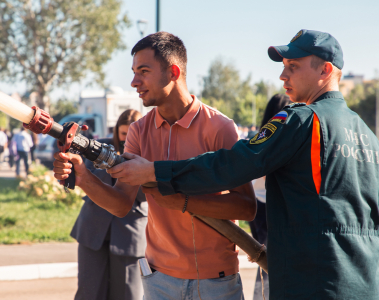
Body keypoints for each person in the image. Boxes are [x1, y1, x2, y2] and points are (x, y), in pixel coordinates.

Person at [110, 30, 379, 299]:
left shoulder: (301, 120)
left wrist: (157, 171)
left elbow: (234, 164)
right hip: (363, 280)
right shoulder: (367, 136)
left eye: (293, 67)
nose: (283, 76)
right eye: (284, 67)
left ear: (326, 70)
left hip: (313, 280)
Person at [53, 32, 256, 300]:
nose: (134, 81)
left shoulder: (219, 128)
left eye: (143, 71)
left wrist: (182, 201)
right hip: (159, 280)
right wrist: (83, 179)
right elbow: (122, 204)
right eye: (134, 72)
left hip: (214, 280)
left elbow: (246, 207)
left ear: (173, 72)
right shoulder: (138, 131)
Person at [72, 109, 147, 300]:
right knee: (89, 293)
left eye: (132, 133)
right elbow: (83, 178)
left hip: (130, 232)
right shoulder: (99, 148)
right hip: (93, 228)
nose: (127, 138)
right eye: (123, 134)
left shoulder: (148, 157)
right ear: (116, 132)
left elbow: (148, 195)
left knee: (127, 294)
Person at [248, 94, 291, 300]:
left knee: (262, 260)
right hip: (271, 206)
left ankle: (261, 296)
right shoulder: (281, 140)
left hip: (255, 206)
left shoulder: (260, 138)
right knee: (273, 262)